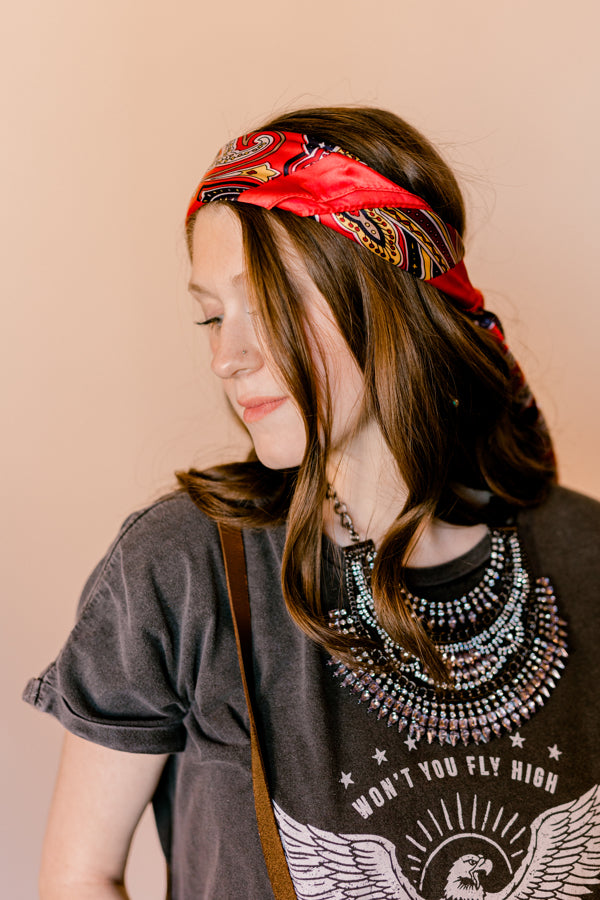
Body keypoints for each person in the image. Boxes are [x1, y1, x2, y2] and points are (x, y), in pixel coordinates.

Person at [24, 107, 600, 900]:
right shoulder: (182, 569)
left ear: (388, 292)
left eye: (267, 305)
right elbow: (79, 877)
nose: (227, 357)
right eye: (210, 316)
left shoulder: (587, 554)